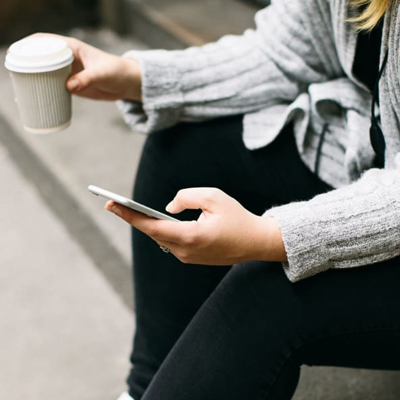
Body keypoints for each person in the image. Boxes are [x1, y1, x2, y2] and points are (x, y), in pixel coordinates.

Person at [45, 0, 400, 398]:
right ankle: (145, 387)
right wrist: (135, 77)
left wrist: (273, 235)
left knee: (272, 287)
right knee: (184, 147)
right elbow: (284, 51)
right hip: (366, 156)